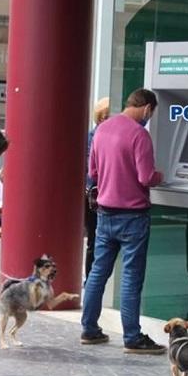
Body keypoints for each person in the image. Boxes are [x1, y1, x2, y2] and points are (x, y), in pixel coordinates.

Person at [80, 88, 166, 354]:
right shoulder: (140, 135)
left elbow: (92, 172)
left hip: (105, 213)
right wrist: (161, 176)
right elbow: (145, 176)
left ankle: (89, 329)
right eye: (152, 113)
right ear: (147, 108)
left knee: (97, 272)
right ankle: (132, 336)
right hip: (133, 216)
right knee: (130, 277)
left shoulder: (102, 130)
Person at [85, 97, 110, 282]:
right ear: (101, 118)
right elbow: (92, 171)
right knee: (95, 241)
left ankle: (92, 279)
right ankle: (91, 278)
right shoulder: (92, 138)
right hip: (94, 196)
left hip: (97, 193)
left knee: (96, 241)